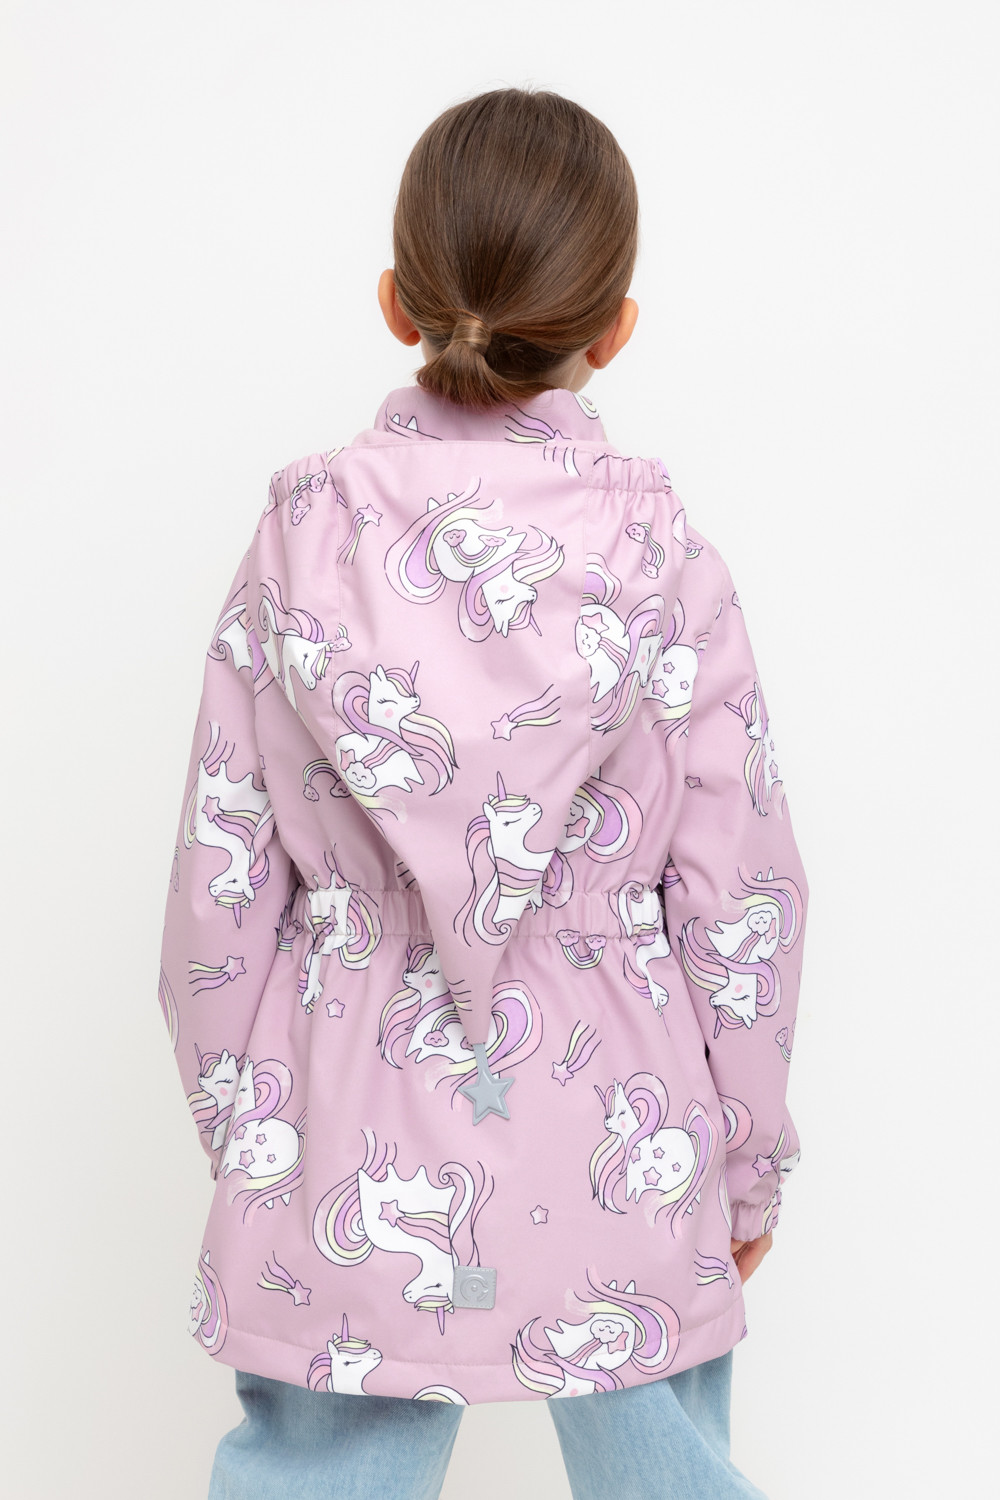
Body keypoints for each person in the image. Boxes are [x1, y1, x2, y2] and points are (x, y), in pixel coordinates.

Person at [158, 86, 809, 1500]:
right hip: (625, 1134)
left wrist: (253, 1134)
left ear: (397, 299)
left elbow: (220, 885)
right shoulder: (670, 563)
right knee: (666, 1477)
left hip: (342, 1121)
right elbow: (742, 902)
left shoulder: (295, 550)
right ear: (614, 326)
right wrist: (745, 1165)